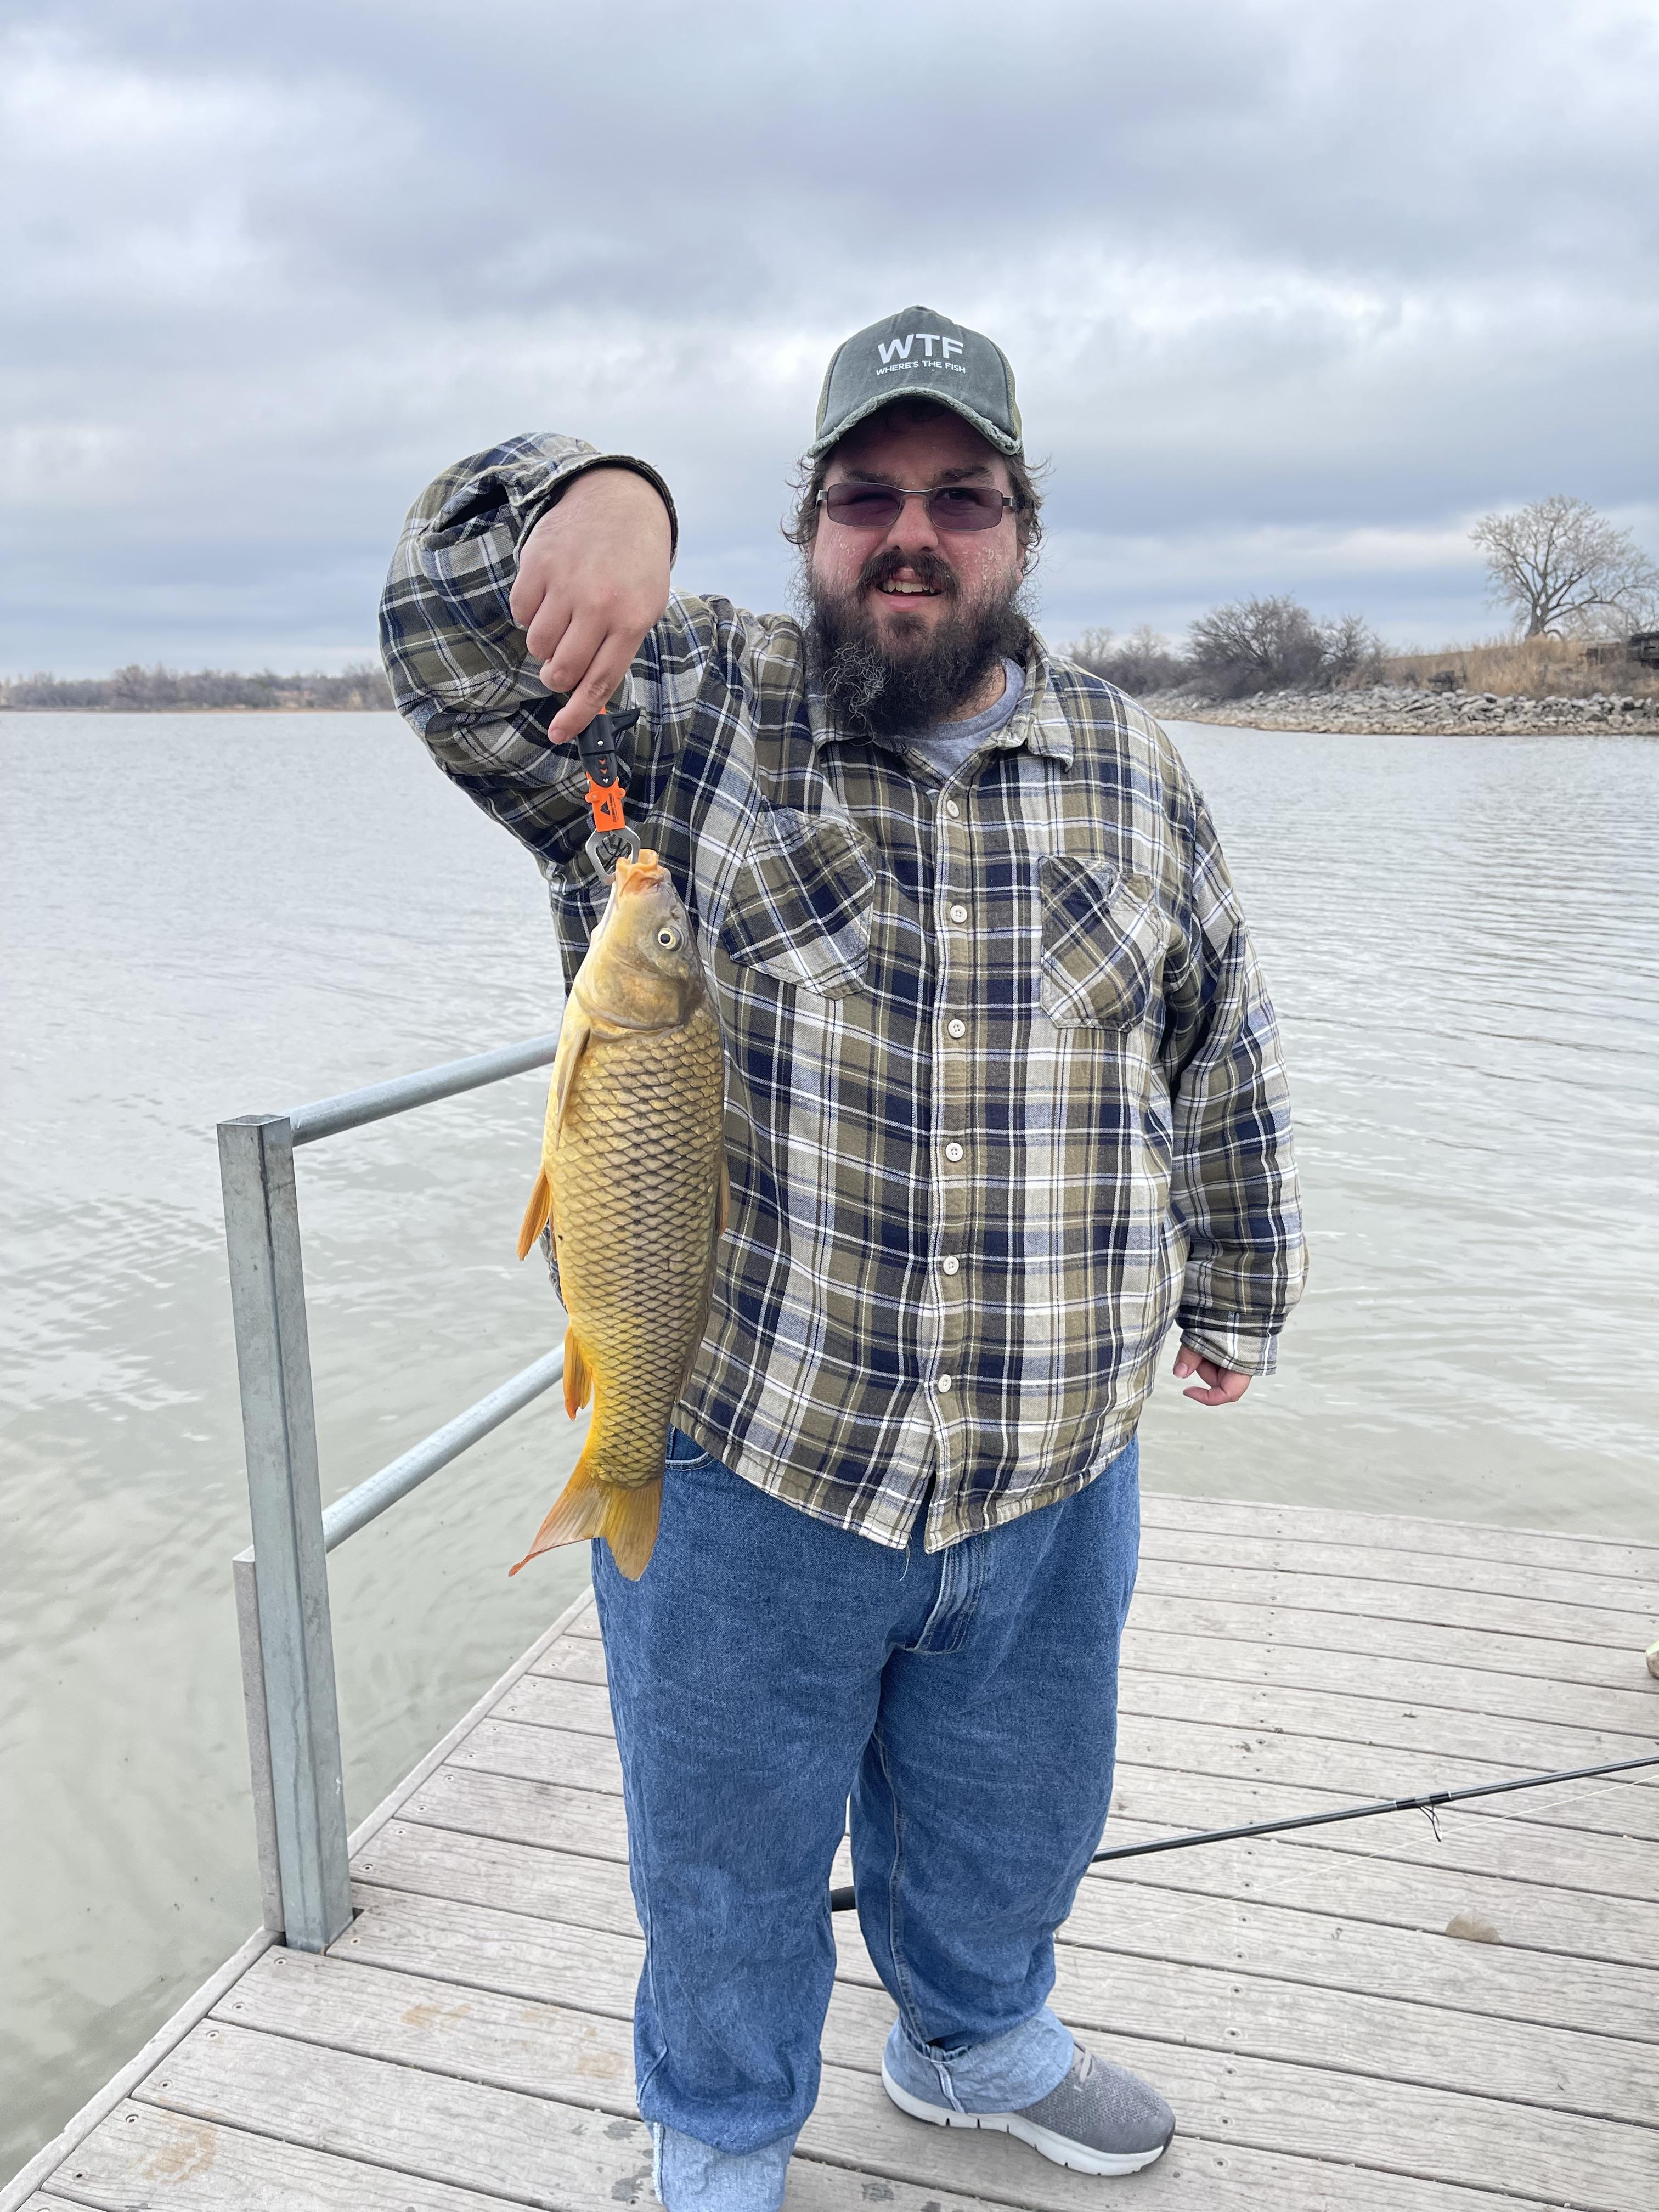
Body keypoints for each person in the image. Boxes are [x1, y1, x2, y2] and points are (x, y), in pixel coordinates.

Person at [380, 305, 1306, 2210]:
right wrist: (590, 492)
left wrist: (1242, 1284)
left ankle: (975, 2039)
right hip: (751, 1454)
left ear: (1022, 528)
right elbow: (446, 642)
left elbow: (1218, 1045)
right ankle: (723, 2124)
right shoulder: (689, 714)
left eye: (960, 497)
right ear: (808, 524)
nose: (913, 534)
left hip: (1055, 1461)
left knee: (1018, 1809)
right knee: (723, 1850)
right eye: (867, 496)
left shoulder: (1135, 764)